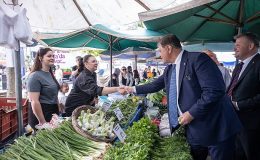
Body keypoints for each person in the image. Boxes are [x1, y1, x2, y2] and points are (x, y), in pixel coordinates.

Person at [124, 35, 241, 160]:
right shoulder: (170, 69)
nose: (159, 54)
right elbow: (155, 85)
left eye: (160, 50)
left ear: (169, 48)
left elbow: (214, 91)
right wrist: (131, 89)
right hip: (193, 129)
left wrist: (191, 113)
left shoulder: (198, 59)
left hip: (215, 127)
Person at [227, 33, 260, 160]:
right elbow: (232, 89)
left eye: (238, 45)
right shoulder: (239, 65)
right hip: (236, 121)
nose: (234, 48)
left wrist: (239, 105)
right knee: (238, 154)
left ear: (250, 46)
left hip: (253, 125)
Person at [27, 48, 60, 129]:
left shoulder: (50, 74)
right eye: (49, 56)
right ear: (40, 58)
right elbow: (34, 101)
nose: (52, 58)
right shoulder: (34, 76)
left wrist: (58, 111)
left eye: (53, 56)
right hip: (42, 113)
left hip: (52, 111)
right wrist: (42, 122)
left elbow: (55, 95)